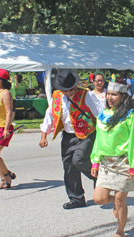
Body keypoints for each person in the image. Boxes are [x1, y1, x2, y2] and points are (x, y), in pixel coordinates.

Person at [39, 69, 103, 209]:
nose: (68, 93)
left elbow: (100, 113)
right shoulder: (56, 96)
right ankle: (77, 199)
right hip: (68, 135)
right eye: (65, 90)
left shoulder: (87, 94)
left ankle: (98, 176)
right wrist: (44, 135)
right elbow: (49, 115)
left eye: (70, 89)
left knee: (78, 160)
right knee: (69, 167)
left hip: (86, 134)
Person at [91, 81, 134, 237]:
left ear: (122, 96)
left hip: (124, 163)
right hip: (106, 163)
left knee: (120, 201)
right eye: (108, 94)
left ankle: (120, 233)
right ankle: (116, 204)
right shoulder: (103, 115)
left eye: (114, 94)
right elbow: (98, 140)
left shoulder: (130, 116)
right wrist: (95, 162)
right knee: (99, 199)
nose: (110, 97)